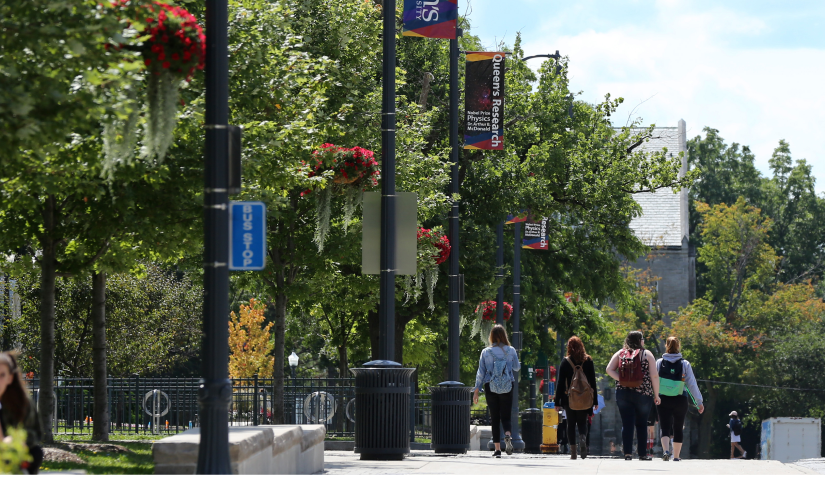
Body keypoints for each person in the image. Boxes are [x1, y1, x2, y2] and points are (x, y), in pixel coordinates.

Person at [606, 331, 660, 460]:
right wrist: (656, 395)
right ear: (640, 341)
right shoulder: (647, 354)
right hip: (643, 393)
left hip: (623, 393)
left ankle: (628, 453)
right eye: (642, 339)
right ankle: (642, 454)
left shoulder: (620, 353)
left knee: (627, 423)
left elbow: (609, 369)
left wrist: (622, 380)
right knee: (642, 424)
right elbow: (654, 375)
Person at [473, 325, 520, 457]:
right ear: (504, 335)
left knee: (494, 417)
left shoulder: (486, 352)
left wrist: (477, 389)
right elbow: (516, 368)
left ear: (491, 336)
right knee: (506, 416)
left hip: (490, 385)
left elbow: (481, 372)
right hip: (507, 386)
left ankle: (497, 449)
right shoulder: (511, 350)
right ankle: (508, 435)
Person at [656, 336, 705, 461]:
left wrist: (655, 395)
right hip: (680, 398)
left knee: (665, 426)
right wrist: (699, 402)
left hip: (663, 398)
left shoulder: (659, 362)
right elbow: (692, 384)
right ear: (678, 346)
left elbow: (654, 380)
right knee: (678, 427)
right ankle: (676, 456)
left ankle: (666, 451)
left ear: (666, 346)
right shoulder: (685, 364)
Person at [554, 336, 598, 460]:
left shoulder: (566, 362)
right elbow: (593, 382)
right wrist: (594, 401)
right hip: (584, 398)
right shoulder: (588, 361)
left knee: (571, 424)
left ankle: (573, 453)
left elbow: (560, 383)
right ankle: (583, 438)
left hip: (569, 397)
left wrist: (557, 402)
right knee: (582, 422)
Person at [0, 351, 43, 475]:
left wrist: (15, 440)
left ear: (10, 378)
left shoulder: (22, 402)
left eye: (2, 375)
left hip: (14, 451)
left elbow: (35, 433)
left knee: (35, 452)